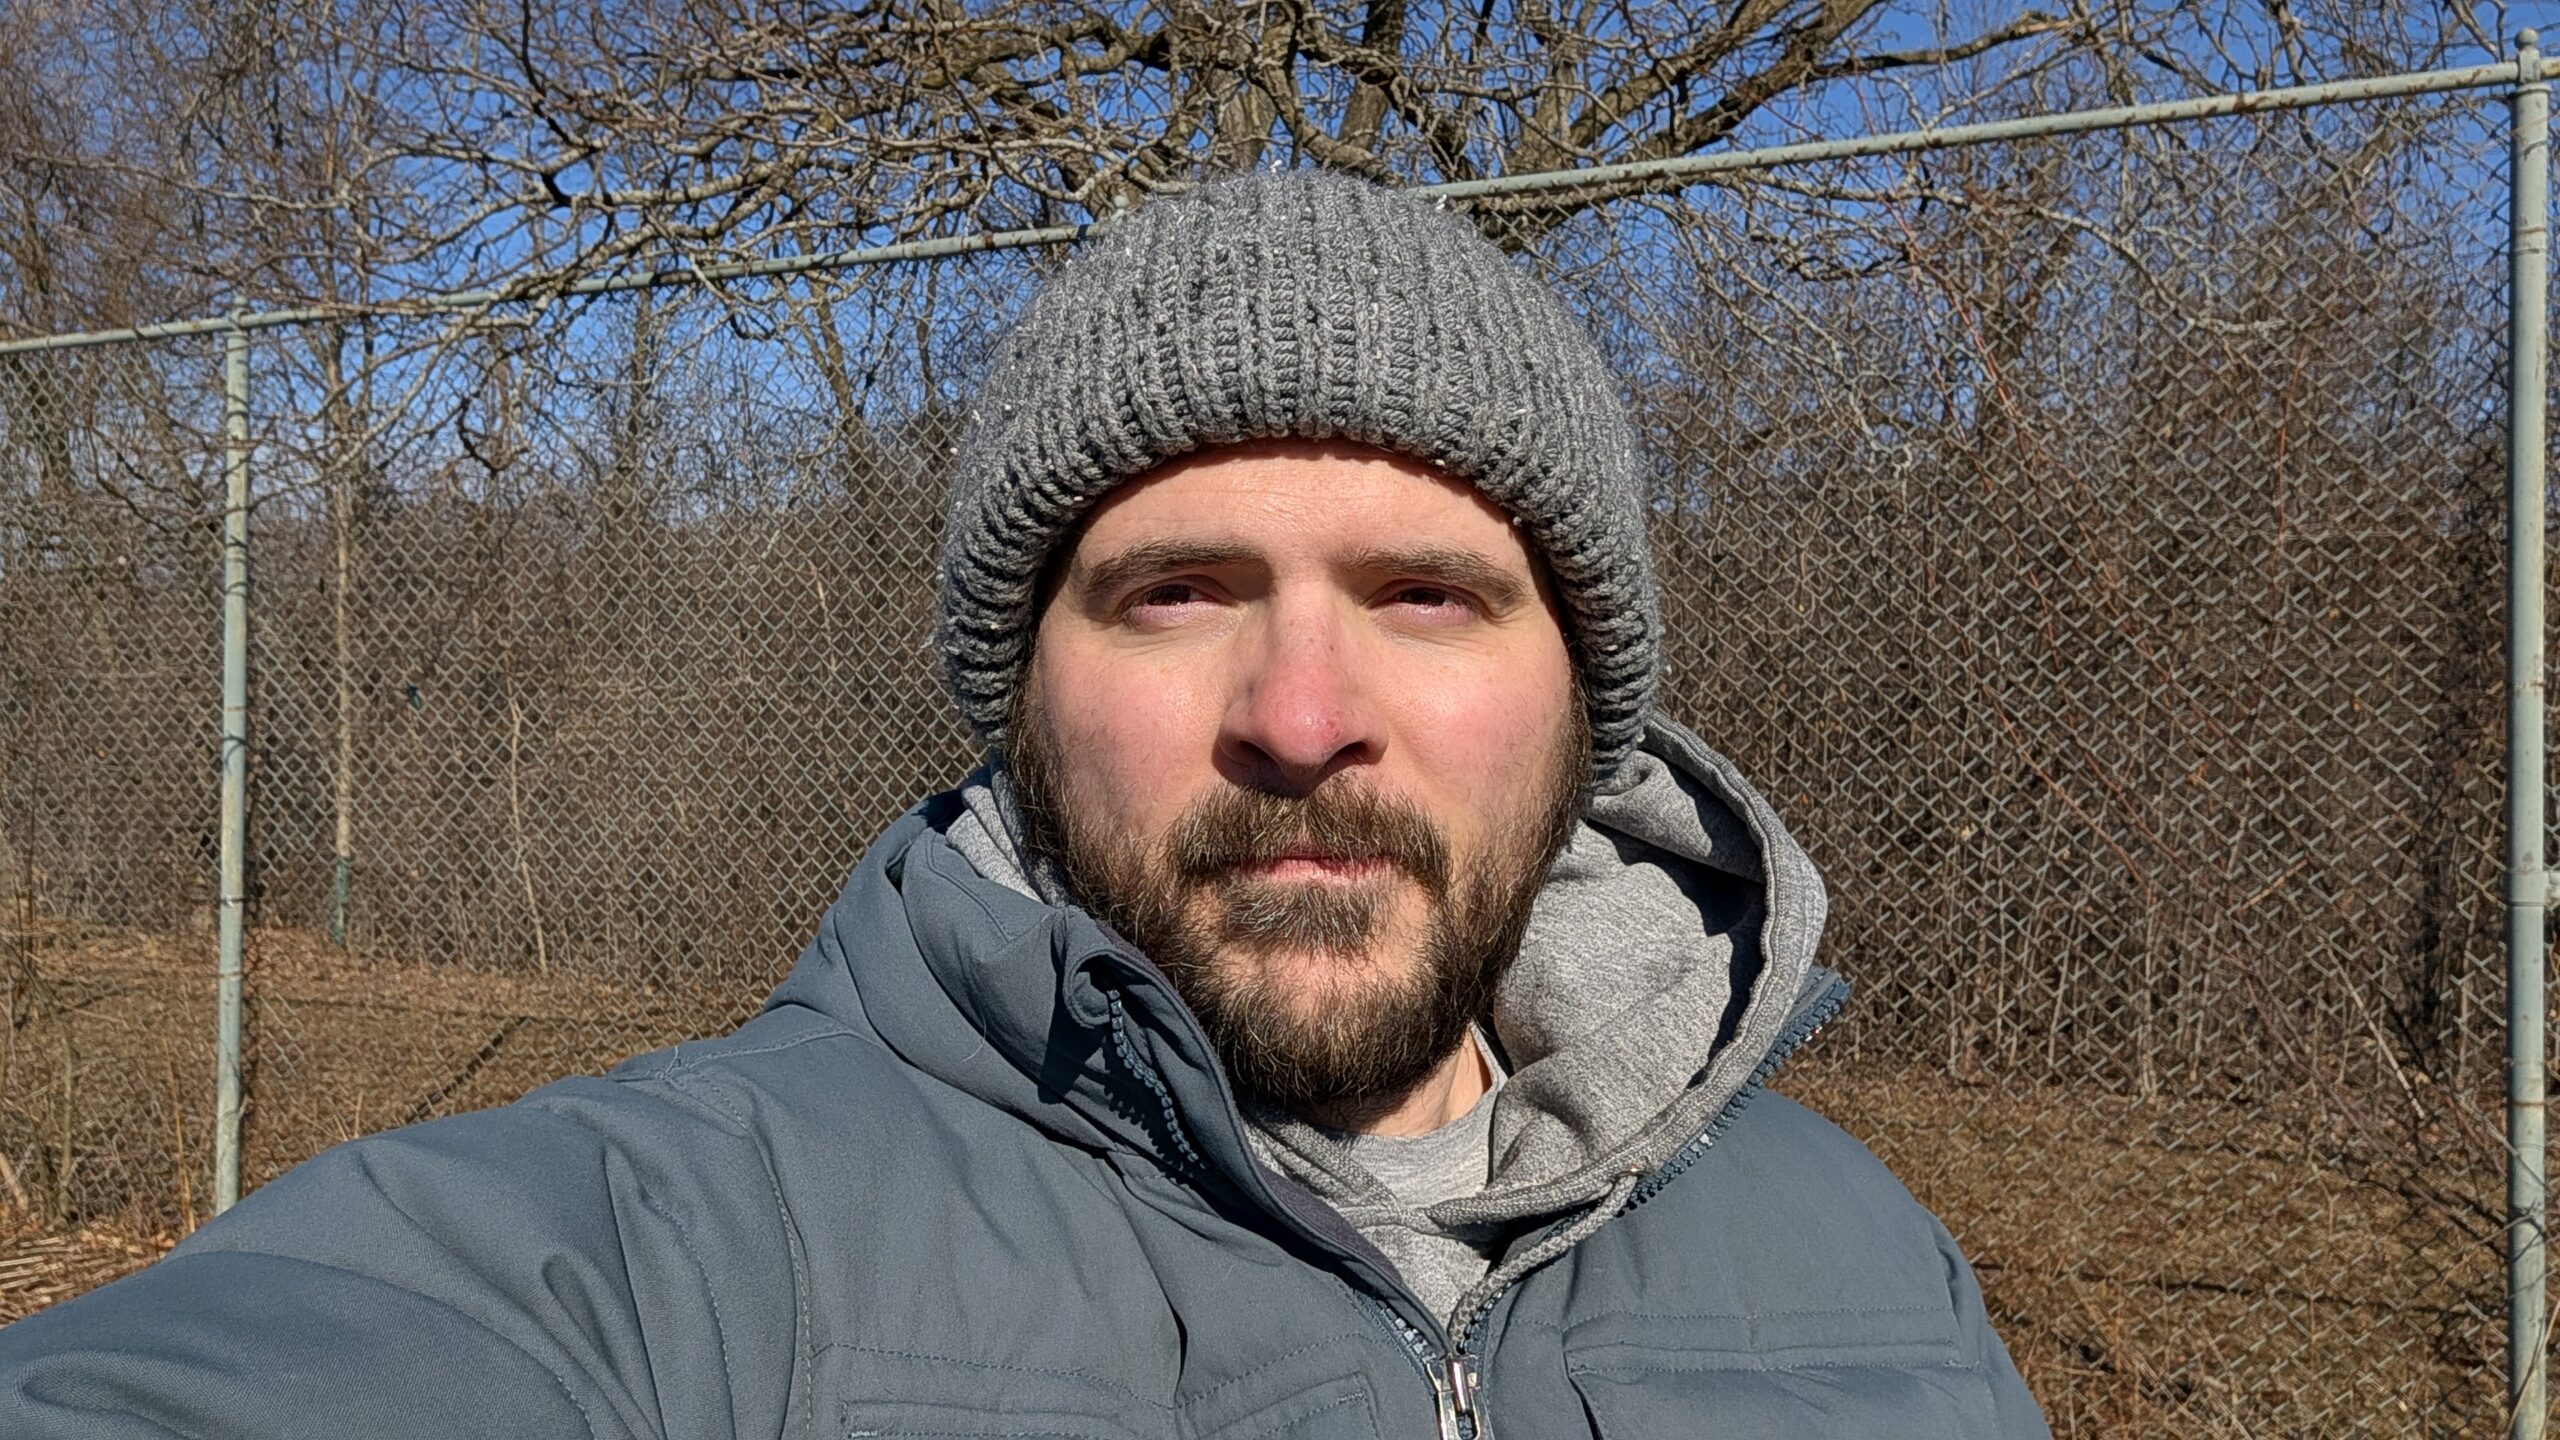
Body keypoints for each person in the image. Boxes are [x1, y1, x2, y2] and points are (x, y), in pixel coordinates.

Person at [0, 170, 2045, 1438]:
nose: (1301, 716)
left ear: (1583, 704)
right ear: (1023, 699)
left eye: (1427, 596)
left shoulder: (1871, 1268)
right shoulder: (684, 1250)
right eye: (1176, 593)